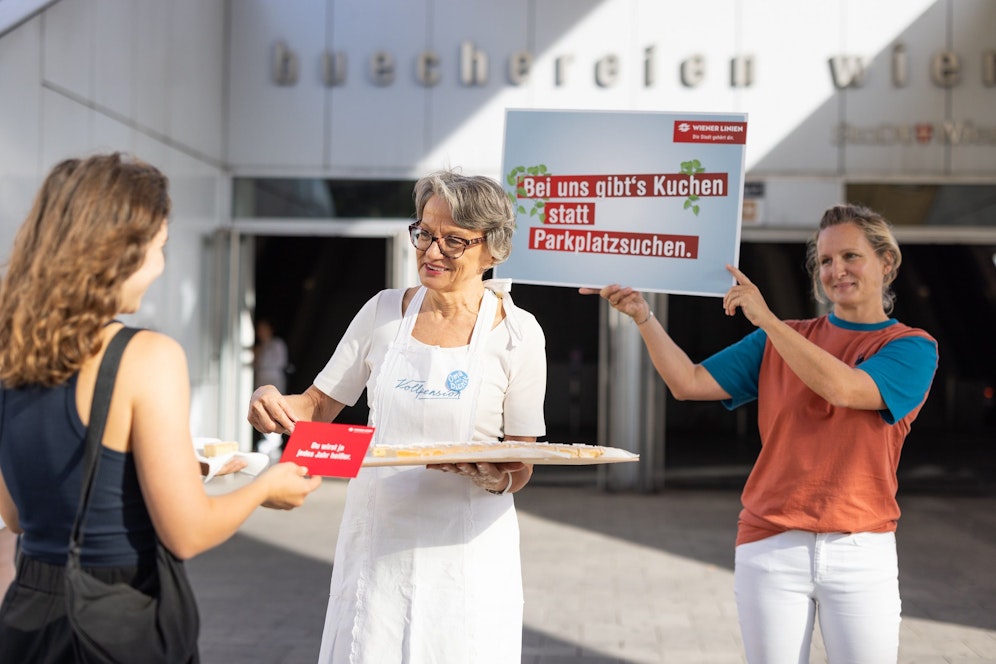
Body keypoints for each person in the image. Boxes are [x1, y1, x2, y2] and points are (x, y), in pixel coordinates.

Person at [0, 152, 323, 662]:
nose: (161, 266)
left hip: (30, 618)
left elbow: (19, 513)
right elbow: (188, 533)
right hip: (118, 620)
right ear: (121, 251)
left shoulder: (11, 347)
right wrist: (266, 486)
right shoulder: (146, 356)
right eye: (159, 247)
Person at [581, 204, 938, 664]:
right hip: (771, 545)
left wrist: (767, 319)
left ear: (886, 263)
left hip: (860, 548)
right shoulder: (781, 339)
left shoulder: (910, 347)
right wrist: (643, 316)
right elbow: (687, 383)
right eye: (826, 261)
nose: (837, 271)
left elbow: (844, 389)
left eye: (851, 256)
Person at [248, 169, 547, 663]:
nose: (431, 252)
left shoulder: (517, 333)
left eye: (453, 241)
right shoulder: (384, 312)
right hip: (378, 542)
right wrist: (273, 400)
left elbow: (522, 460)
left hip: (465, 551)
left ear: (492, 251)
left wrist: (496, 477)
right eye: (424, 234)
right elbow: (319, 405)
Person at [253, 318, 290, 457]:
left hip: (274, 379)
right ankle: (268, 439)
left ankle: (274, 440)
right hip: (261, 379)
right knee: (261, 408)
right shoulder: (260, 346)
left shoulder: (277, 344)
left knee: (275, 407)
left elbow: (280, 362)